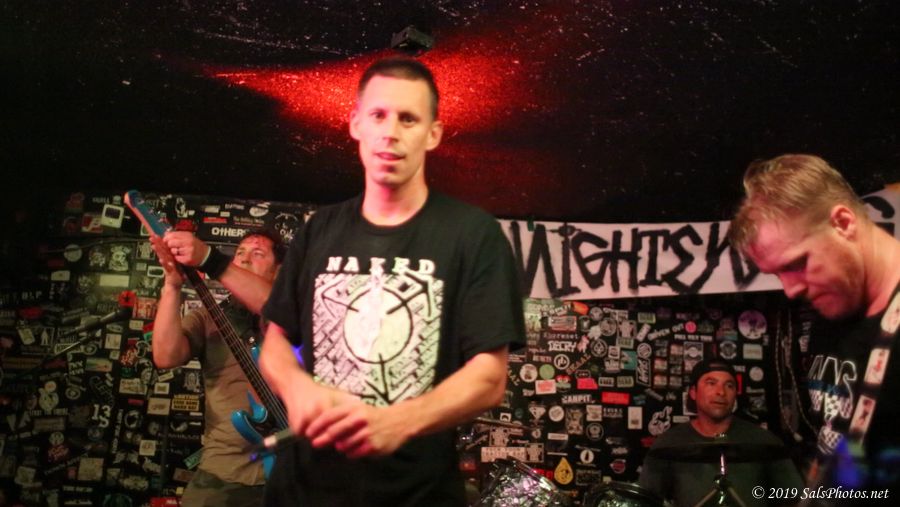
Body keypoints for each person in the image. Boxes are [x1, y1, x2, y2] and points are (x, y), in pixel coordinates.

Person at [258, 57, 526, 506]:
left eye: (408, 119)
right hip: (303, 490)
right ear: (356, 124)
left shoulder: (473, 234)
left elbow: (489, 377)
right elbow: (276, 340)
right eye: (379, 115)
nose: (391, 132)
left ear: (433, 134)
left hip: (417, 494)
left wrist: (400, 420)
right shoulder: (319, 229)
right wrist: (297, 388)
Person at [729, 154, 900, 493]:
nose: (790, 290)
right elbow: (831, 438)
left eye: (796, 264)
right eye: (777, 274)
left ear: (843, 223)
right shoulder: (834, 304)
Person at [151, 228, 285, 507]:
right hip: (223, 471)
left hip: (291, 474)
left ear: (279, 271)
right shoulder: (207, 317)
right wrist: (172, 286)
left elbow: (276, 305)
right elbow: (165, 356)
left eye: (257, 254)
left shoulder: (295, 315)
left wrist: (209, 258)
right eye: (239, 253)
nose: (244, 259)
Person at [640, 358, 804, 506]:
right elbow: (644, 500)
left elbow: (795, 500)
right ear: (693, 392)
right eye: (711, 383)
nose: (721, 392)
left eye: (729, 385)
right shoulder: (669, 443)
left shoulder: (765, 442)